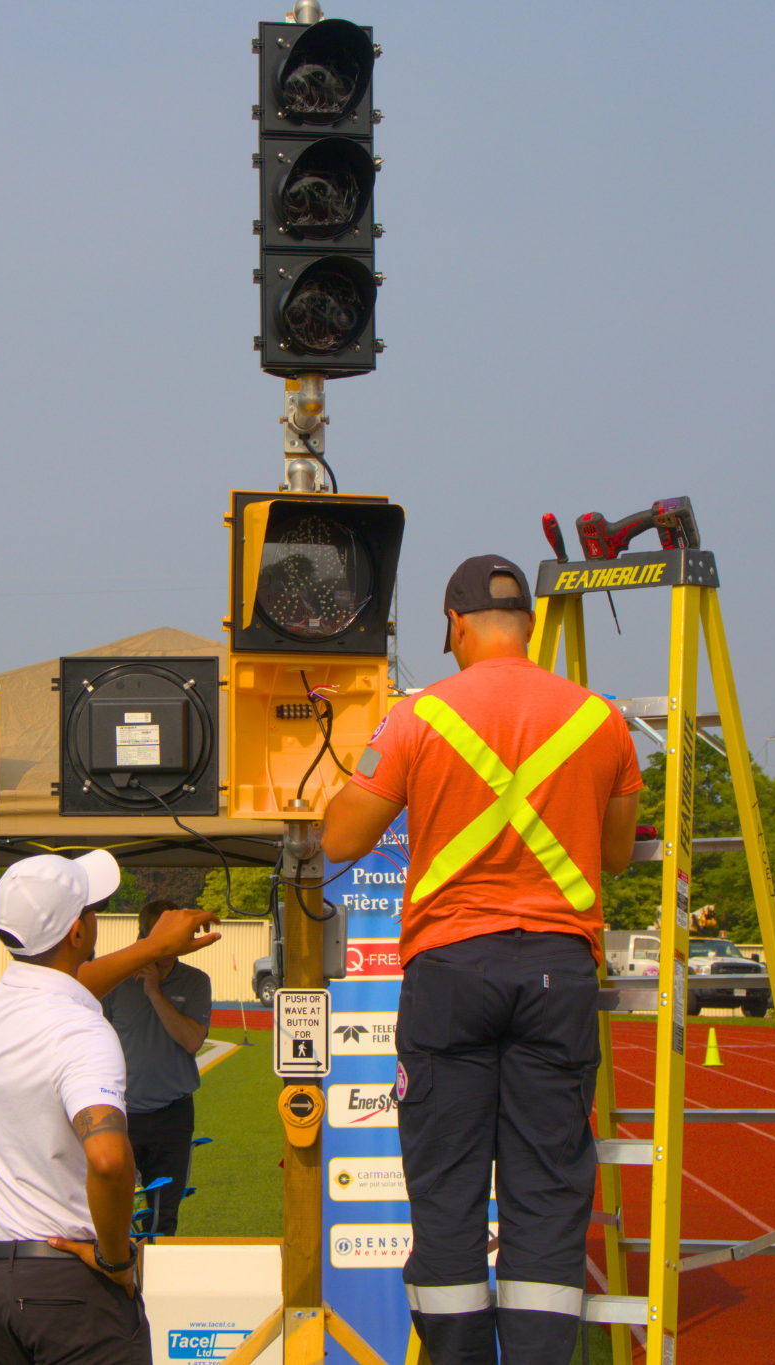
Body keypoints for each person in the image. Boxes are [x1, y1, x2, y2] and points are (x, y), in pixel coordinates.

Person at [322, 555, 642, 1365]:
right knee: (547, 1196)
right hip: (557, 971)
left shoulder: (417, 716)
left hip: (451, 970)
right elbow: (614, 854)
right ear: (527, 626)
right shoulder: (599, 720)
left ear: (456, 625)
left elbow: (340, 839)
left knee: (448, 1195)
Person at [0, 850, 220, 1365]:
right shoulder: (82, 1030)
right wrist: (116, 1259)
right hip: (66, 1284)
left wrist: (148, 948)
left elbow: (59, 991)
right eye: (94, 909)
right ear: (78, 933)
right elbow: (109, 1159)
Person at [101, 897, 213, 1238]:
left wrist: (154, 993)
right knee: (111, 1213)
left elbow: (192, 1041)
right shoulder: (115, 979)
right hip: (120, 1114)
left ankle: (155, 1286)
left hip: (171, 1115)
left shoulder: (195, 981)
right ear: (143, 936)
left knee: (163, 1217)